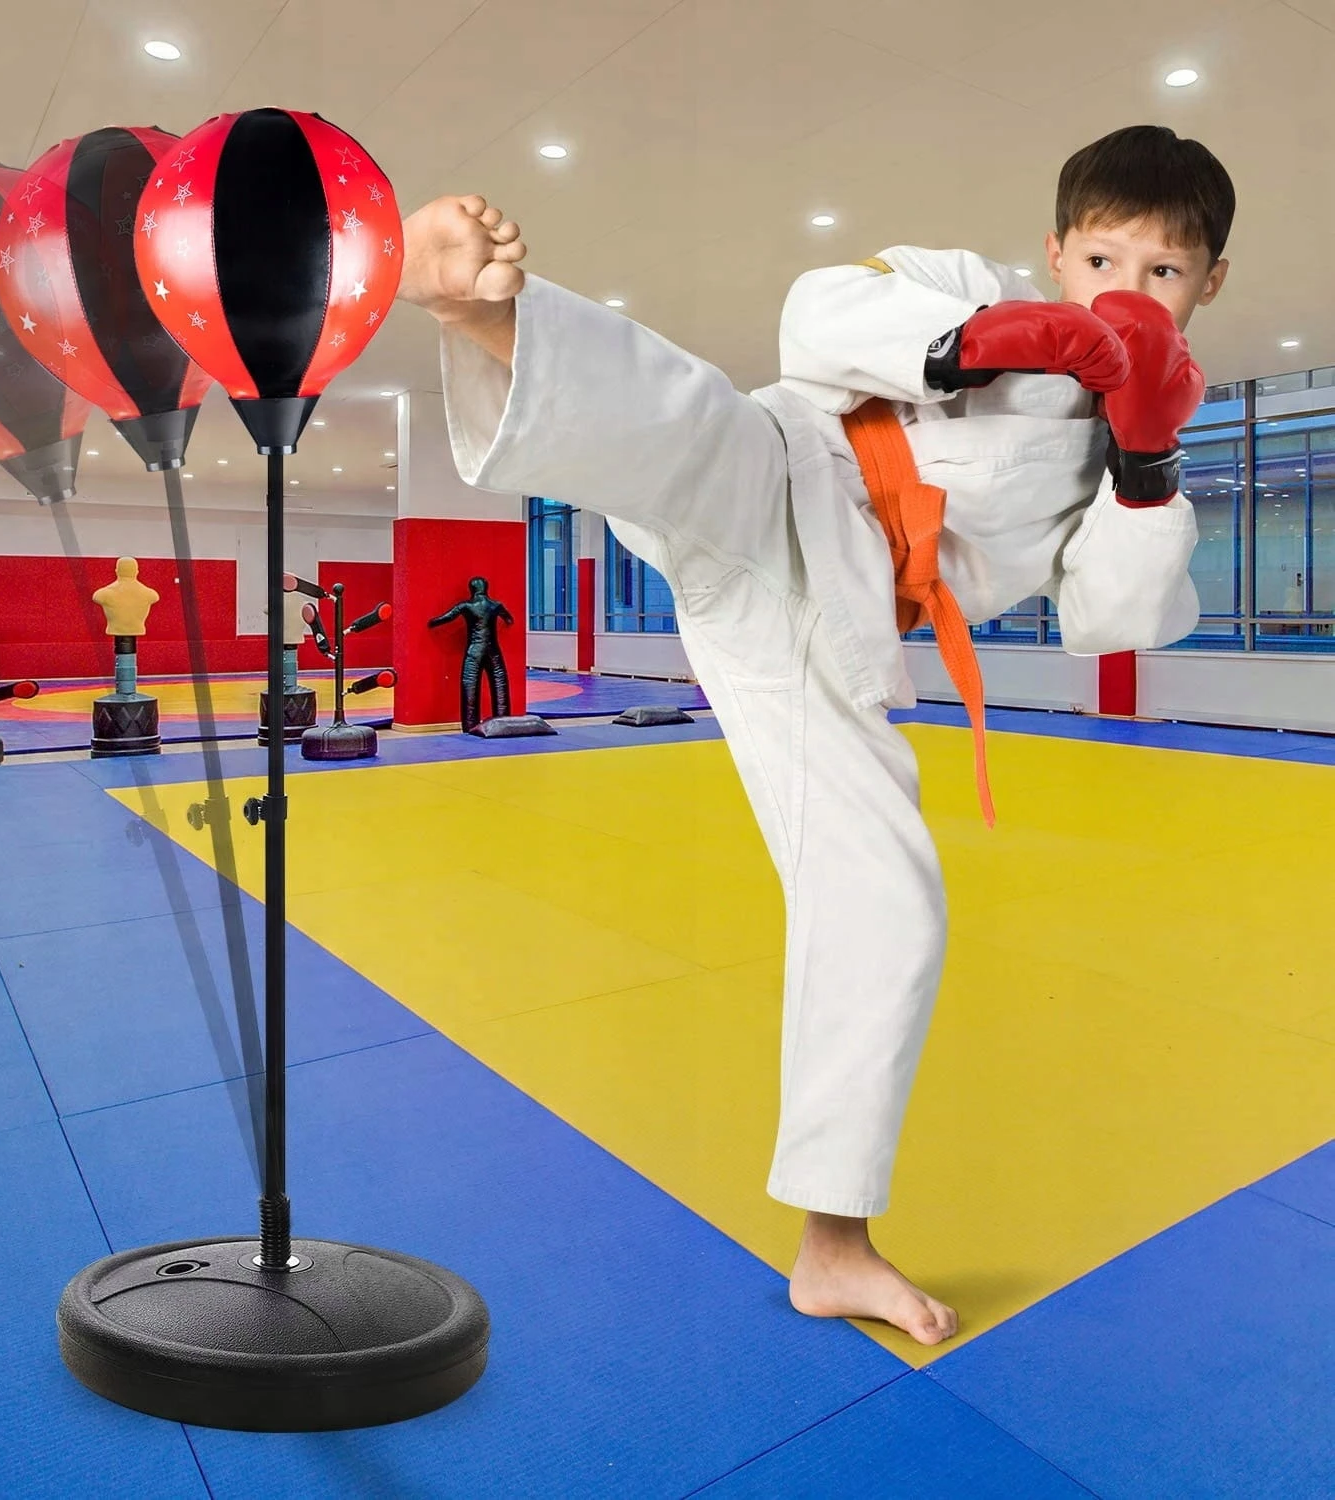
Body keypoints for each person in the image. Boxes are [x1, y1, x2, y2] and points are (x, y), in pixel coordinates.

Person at [395, 123, 1233, 1345]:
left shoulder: (1123, 461)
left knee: (891, 905)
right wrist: (994, 339)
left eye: (1164, 272)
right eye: (1103, 260)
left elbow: (1114, 619)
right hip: (781, 473)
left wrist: (1145, 460)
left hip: (823, 630)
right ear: (1057, 252)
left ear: (1210, 285)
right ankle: (487, 315)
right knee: (696, 420)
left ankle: (832, 1249)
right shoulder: (960, 286)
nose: (1127, 291)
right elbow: (816, 319)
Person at [428, 576, 516, 731]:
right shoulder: (495, 605)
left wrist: (431, 622)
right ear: (486, 588)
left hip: (474, 650)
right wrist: (507, 622)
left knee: (470, 686)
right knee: (499, 684)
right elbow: (509, 619)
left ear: (472, 589)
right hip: (493, 650)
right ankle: (503, 723)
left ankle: (470, 726)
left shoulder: (466, 606)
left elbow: (447, 617)